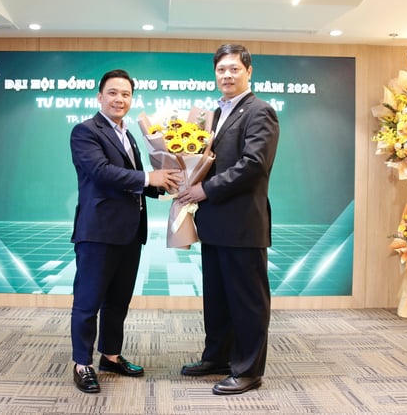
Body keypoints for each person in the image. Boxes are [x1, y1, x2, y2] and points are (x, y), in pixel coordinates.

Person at [177, 44, 280, 395]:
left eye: (234, 69)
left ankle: (249, 370)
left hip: (243, 224)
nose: (227, 75)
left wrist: (205, 189)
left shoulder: (260, 111)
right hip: (215, 224)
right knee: (218, 298)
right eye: (221, 69)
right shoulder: (215, 114)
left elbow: (253, 165)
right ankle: (218, 357)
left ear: (248, 72)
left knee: (248, 301)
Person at [69, 69, 180, 393]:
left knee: (118, 301)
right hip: (98, 232)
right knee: (88, 302)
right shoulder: (85, 131)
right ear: (99, 97)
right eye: (113, 93)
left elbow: (132, 181)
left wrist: (169, 185)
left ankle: (111, 356)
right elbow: (101, 172)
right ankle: (82, 363)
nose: (120, 99)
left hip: (129, 233)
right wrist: (149, 178)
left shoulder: (128, 134)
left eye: (126, 94)